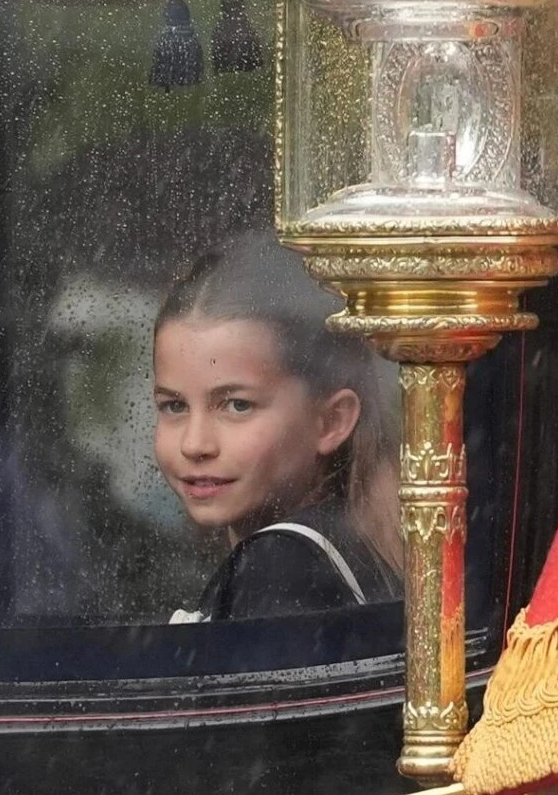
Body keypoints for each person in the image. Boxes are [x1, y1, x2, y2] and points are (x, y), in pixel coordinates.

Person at [152, 234, 402, 621]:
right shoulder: (350, 545)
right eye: (174, 406)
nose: (194, 443)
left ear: (331, 421)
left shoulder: (281, 568)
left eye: (237, 405)